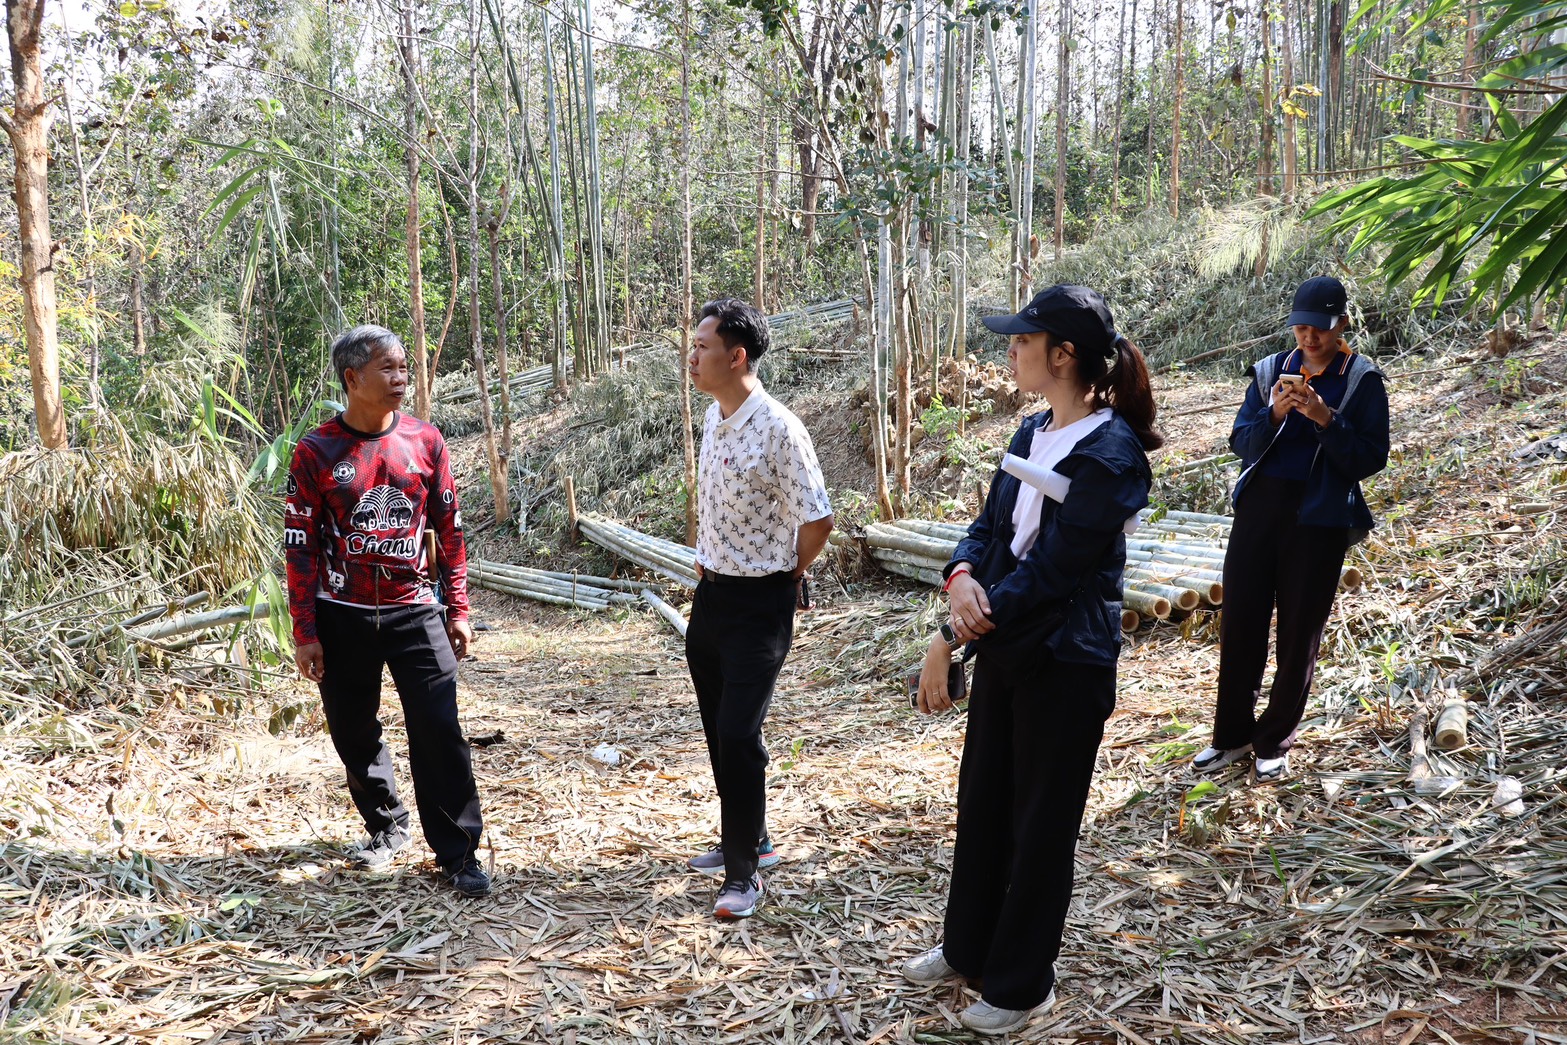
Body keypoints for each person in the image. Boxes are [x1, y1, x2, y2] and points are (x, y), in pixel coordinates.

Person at [903, 285, 1161, 1036]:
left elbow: (1053, 571)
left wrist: (955, 637)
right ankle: (967, 947)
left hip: (1064, 660)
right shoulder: (1030, 429)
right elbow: (987, 528)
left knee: (1040, 823)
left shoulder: (1111, 455)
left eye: (1021, 341)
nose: (1009, 351)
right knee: (983, 800)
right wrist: (958, 577)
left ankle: (1021, 984)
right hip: (1009, 648)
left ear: (1064, 353)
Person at [285, 324, 489, 898]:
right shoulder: (317, 451)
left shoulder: (426, 442)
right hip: (341, 615)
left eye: (405, 368)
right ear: (352, 378)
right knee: (353, 730)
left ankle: (458, 852)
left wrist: (458, 608)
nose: (402, 379)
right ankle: (385, 825)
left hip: (414, 612)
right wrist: (306, 631)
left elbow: (448, 530)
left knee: (439, 730)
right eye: (388, 369)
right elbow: (299, 546)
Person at [1192, 275, 1390, 784]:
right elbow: (1241, 441)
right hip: (1261, 511)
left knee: (1299, 631)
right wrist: (1274, 414)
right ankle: (1230, 736)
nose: (1309, 339)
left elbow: (1370, 457)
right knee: (1241, 625)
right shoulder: (1269, 373)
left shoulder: (1361, 379)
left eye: (1319, 330)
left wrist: (1326, 418)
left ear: (1342, 324)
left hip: (1319, 516)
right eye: (1300, 329)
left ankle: (1274, 739)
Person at [682, 298, 834, 920]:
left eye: (702, 347)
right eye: (691, 346)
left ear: (737, 355)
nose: (691, 357)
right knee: (721, 728)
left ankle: (744, 875)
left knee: (741, 733)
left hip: (761, 601)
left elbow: (817, 518)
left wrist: (787, 574)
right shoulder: (716, 420)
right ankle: (749, 838)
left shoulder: (778, 428)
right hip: (711, 595)